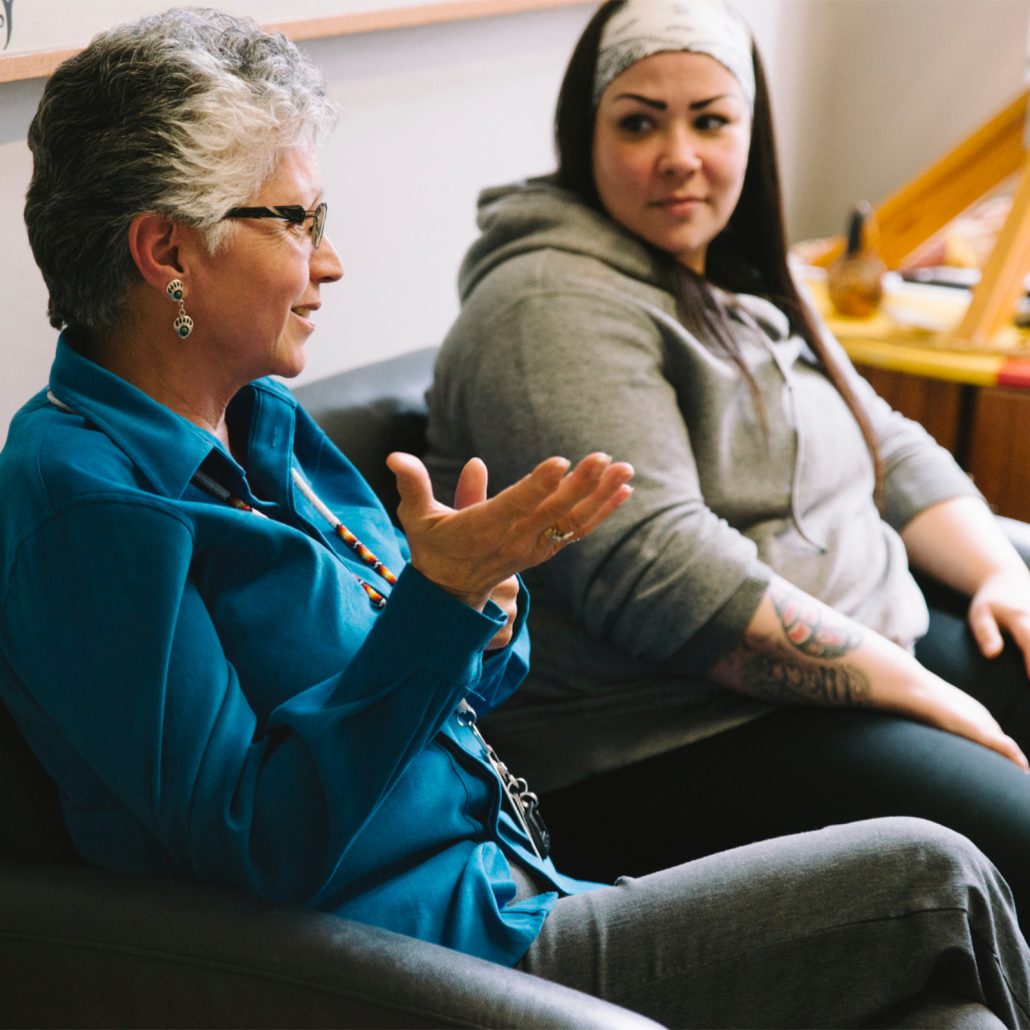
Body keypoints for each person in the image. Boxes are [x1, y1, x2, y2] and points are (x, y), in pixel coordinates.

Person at [1, 8, 1028, 1027]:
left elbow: (463, 689)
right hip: (420, 959)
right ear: (166, 250)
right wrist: (436, 603)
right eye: (297, 221)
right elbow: (251, 844)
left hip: (517, 879)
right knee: (933, 880)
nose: (330, 261)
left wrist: (483, 604)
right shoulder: (87, 499)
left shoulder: (259, 418)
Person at [425, 0, 1030, 918]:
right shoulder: (545, 309)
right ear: (584, 134)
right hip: (668, 734)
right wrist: (926, 693)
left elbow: (890, 449)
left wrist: (999, 576)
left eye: (710, 119)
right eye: (639, 121)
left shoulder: (731, 274)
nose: (680, 154)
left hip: (852, 649)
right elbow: (667, 580)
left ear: (751, 134)